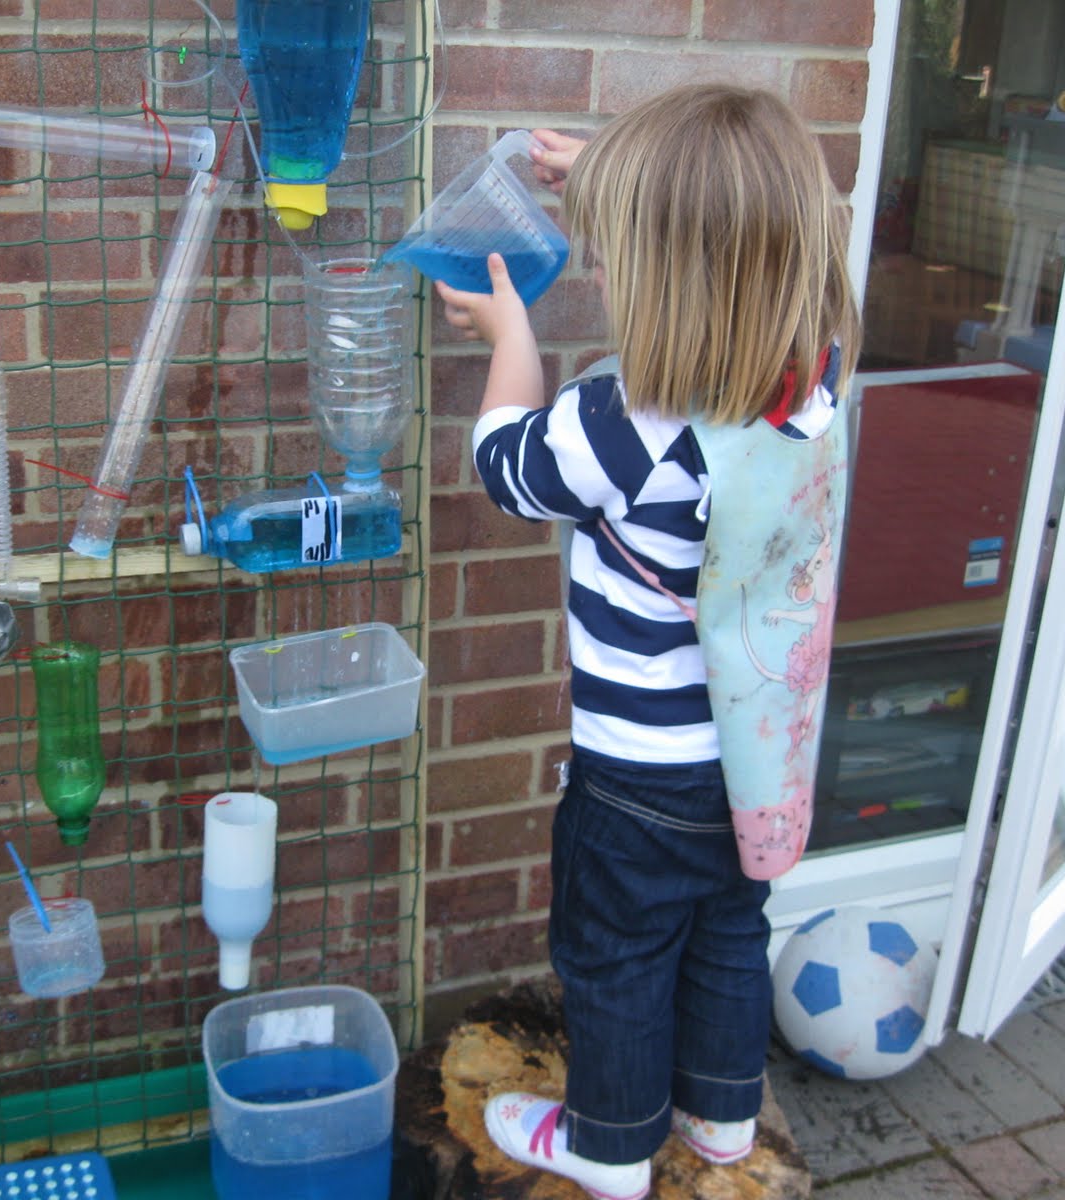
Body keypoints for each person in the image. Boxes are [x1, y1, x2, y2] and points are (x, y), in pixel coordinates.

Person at [435, 85, 860, 1198]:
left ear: (667, 276)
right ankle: (721, 1124)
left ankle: (610, 1146)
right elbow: (743, 227)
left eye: (620, 256)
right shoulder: (811, 383)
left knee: (615, 956)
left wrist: (510, 335)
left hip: (637, 781)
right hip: (753, 764)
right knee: (727, 928)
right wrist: (624, 180)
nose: (607, 275)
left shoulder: (621, 423)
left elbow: (505, 469)